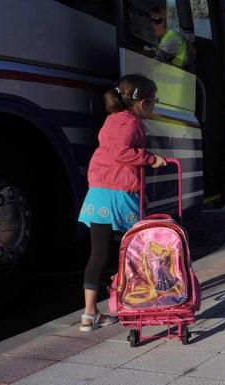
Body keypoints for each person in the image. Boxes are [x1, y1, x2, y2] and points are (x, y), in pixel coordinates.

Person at [77, 74, 167, 332]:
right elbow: (122, 153)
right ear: (140, 104)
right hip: (119, 195)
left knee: (99, 254)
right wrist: (150, 158)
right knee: (136, 250)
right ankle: (137, 299)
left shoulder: (111, 120)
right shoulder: (132, 124)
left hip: (98, 195)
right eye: (152, 102)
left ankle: (90, 314)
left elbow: (111, 155)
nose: (153, 107)